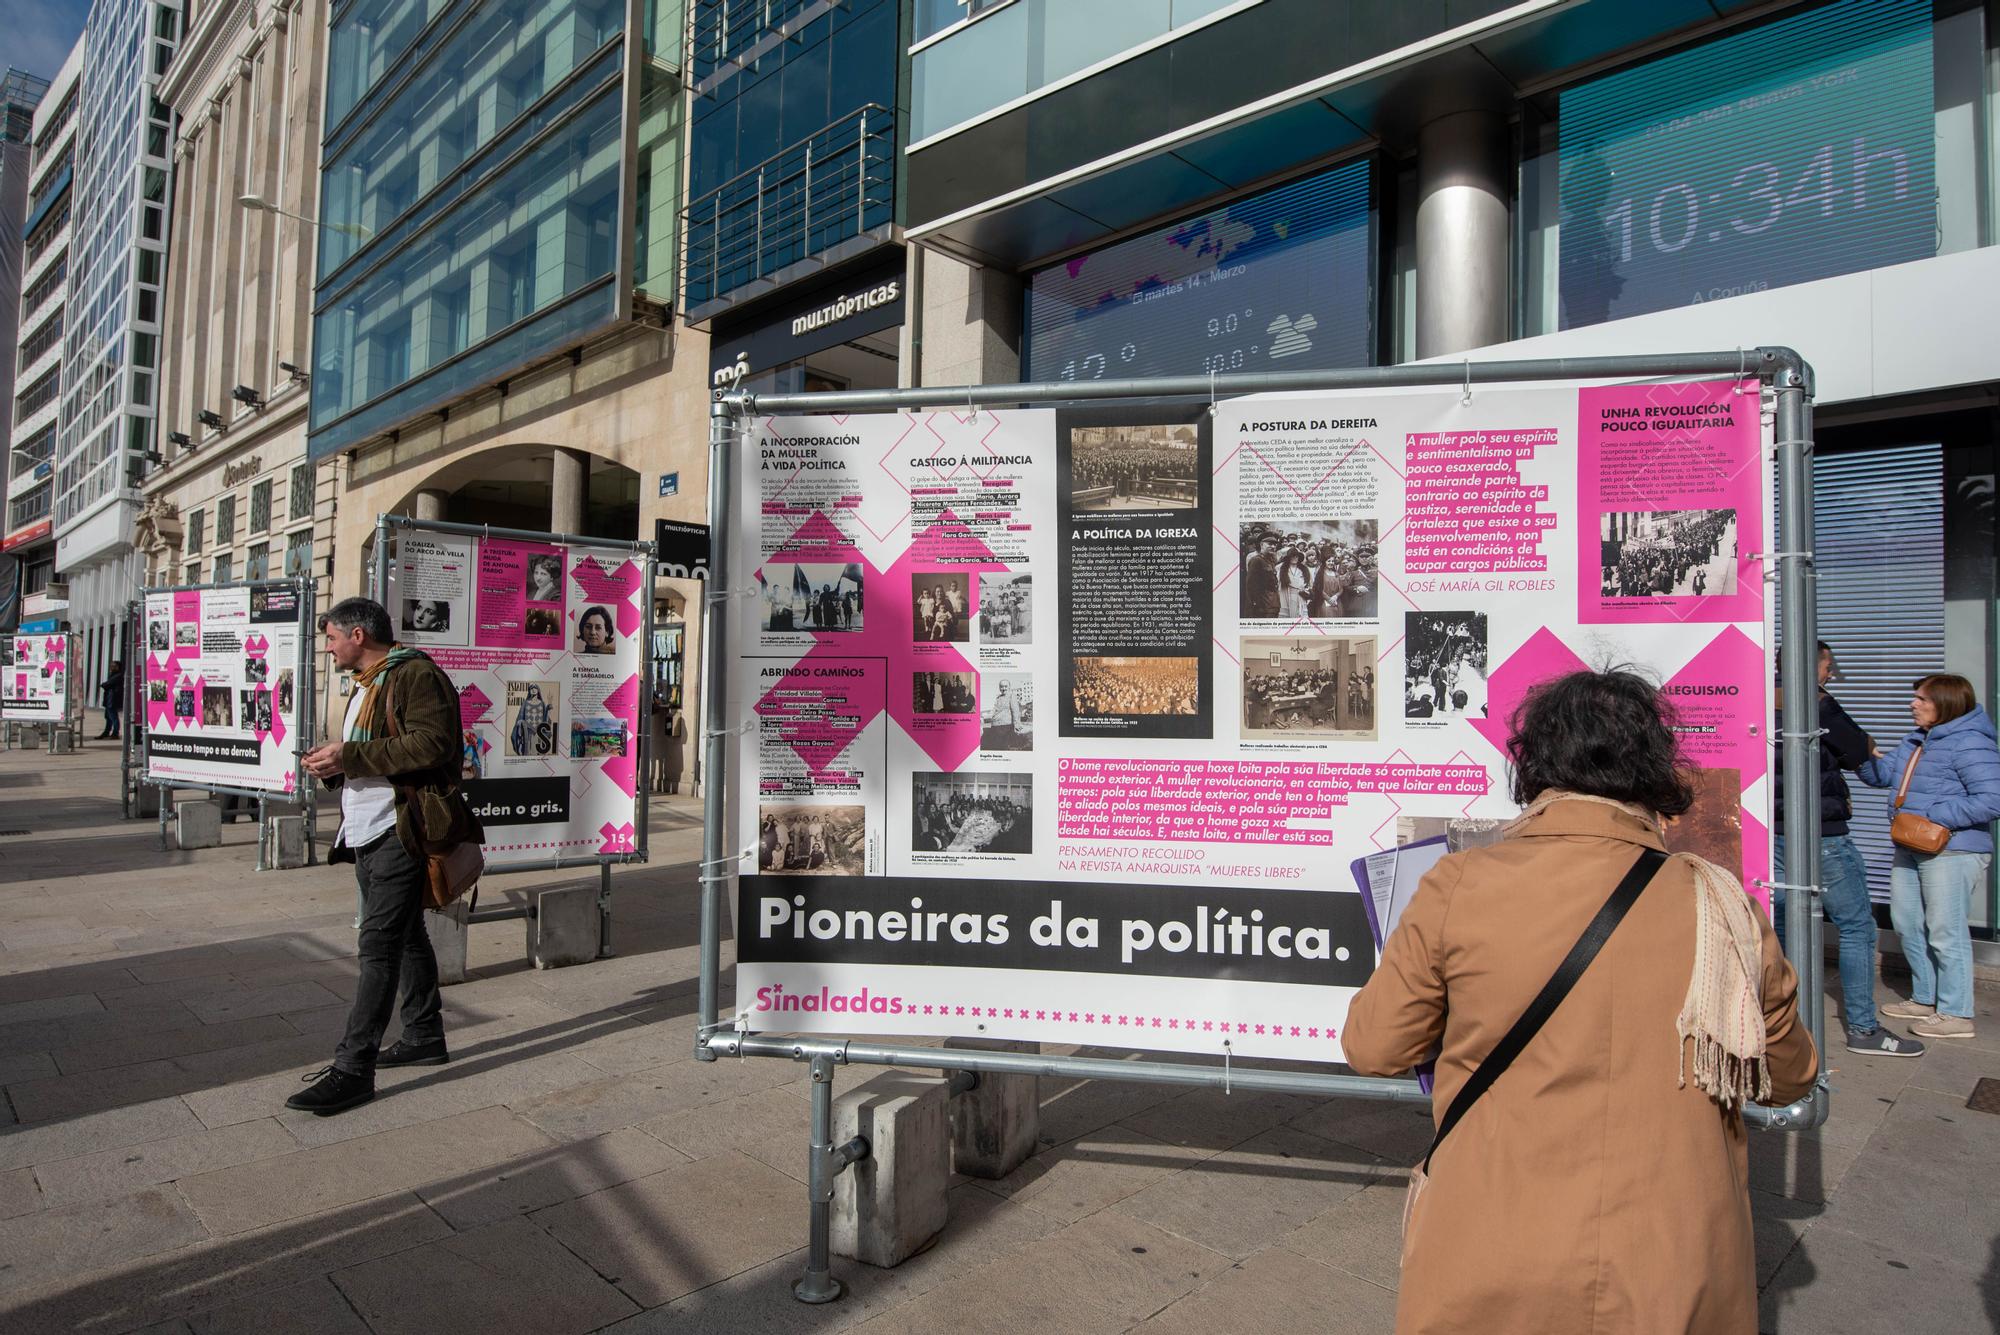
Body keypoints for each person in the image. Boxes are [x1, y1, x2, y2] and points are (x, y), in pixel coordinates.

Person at [1343, 668, 1817, 1334]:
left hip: (1495, 1244)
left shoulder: (1458, 883)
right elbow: (1787, 1075)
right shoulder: (1719, 902)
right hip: (1673, 1261)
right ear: (1653, 769)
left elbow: (1373, 1045)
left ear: (1533, 766)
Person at [296, 598, 483, 1115]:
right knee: (406, 935)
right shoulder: (368, 683)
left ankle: (353, 1069)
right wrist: (335, 766)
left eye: (332, 638)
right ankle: (424, 1034)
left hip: (400, 832)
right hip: (369, 829)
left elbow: (434, 745)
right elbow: (379, 753)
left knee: (377, 945)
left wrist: (348, 755)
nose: (328, 647)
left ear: (358, 636)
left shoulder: (414, 674)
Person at [1773, 642, 1921, 1056]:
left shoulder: (1759, 694)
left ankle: (1788, 1023)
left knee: (1785, 924)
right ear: (1810, 665)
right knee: (1856, 926)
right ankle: (1863, 1028)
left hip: (1775, 830)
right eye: (1828, 666)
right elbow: (1857, 749)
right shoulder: (1816, 701)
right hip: (1822, 832)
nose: (1831, 675)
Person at [1857, 673, 2000, 1041]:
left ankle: (1956, 1013)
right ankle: (1926, 997)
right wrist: (1858, 753)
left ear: (1945, 703)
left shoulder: (1970, 743)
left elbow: (1992, 799)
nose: (1913, 704)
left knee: (1945, 929)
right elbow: (1885, 776)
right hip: (1912, 844)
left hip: (1952, 849)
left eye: (1921, 699)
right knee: (1906, 922)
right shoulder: (1917, 739)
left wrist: (1934, 817)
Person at [1244, 534, 1281, 619]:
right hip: (1263, 607)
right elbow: (1251, 586)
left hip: (1273, 605)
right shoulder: (1256, 560)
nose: (1273, 546)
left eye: (1274, 544)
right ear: (1261, 545)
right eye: (1269, 544)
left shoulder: (1270, 560)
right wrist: (1255, 605)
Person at [97, 660, 124, 739]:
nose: (112, 668)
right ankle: (107, 731)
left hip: (112, 699)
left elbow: (107, 684)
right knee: (108, 717)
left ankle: (115, 733)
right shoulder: (113, 675)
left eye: (114, 666)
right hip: (109, 699)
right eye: (111, 666)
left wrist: (104, 684)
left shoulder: (118, 675)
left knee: (113, 716)